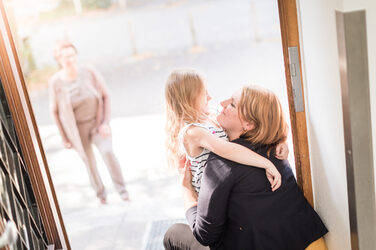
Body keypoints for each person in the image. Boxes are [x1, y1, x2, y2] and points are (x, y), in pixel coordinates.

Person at [164, 85, 328, 250]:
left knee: (173, 234)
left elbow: (205, 234)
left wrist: (187, 191)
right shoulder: (276, 146)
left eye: (232, 105)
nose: (222, 103)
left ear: (249, 124)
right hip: (309, 241)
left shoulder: (220, 165)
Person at [165, 69, 288, 195]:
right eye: (204, 94)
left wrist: (280, 141)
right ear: (188, 100)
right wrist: (266, 164)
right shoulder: (193, 132)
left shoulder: (212, 113)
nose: (210, 97)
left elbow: (255, 120)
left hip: (228, 180)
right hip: (209, 194)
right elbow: (228, 150)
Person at [48, 41, 129, 204]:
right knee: (89, 161)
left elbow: (106, 96)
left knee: (107, 152)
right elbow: (55, 112)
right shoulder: (56, 82)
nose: (69, 59)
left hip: (97, 124)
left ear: (76, 55)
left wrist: (105, 122)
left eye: (72, 55)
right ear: (59, 60)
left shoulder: (89, 72)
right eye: (65, 57)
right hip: (76, 130)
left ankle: (122, 191)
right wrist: (64, 137)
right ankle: (101, 195)